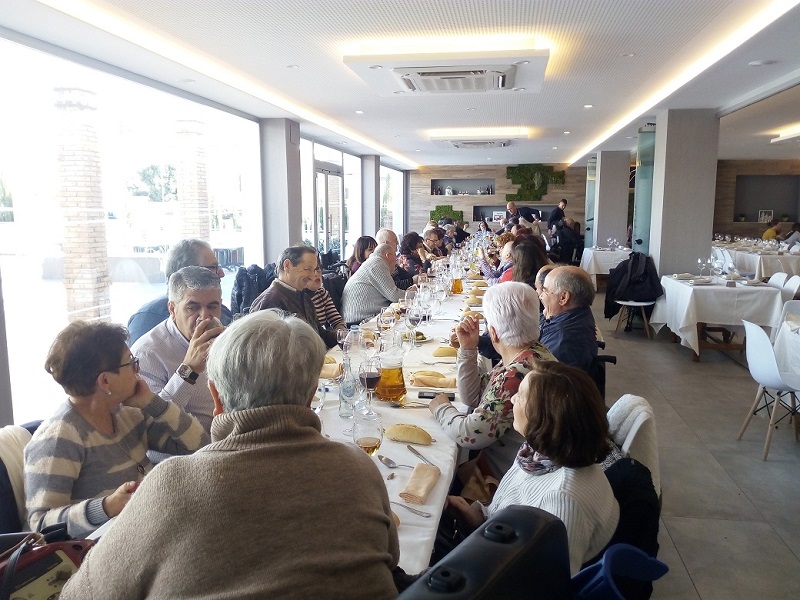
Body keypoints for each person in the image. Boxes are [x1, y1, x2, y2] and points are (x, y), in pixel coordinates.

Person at [59, 311, 400, 599]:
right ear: (311, 394)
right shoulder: (358, 466)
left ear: (215, 398)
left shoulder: (171, 485)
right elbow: (392, 557)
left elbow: (80, 595)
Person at [24, 321, 208, 538]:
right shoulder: (59, 437)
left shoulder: (127, 414)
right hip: (100, 553)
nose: (137, 371)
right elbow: (41, 526)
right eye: (132, 364)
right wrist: (106, 507)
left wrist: (152, 401)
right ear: (105, 381)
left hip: (148, 531)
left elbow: (199, 445)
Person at [447, 361, 619, 575]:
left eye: (520, 396)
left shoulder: (563, 498)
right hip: (495, 548)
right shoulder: (537, 456)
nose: (512, 399)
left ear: (544, 418)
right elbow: (505, 514)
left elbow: (549, 584)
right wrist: (476, 516)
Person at [429, 282, 557, 481]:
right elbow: (474, 397)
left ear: (494, 332)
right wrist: (468, 349)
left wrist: (441, 407)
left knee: (439, 475)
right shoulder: (531, 352)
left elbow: (469, 435)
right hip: (516, 464)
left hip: (510, 475)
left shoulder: (516, 374)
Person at [131, 266, 224, 443]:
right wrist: (188, 371)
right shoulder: (148, 353)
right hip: (182, 459)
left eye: (213, 306)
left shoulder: (226, 339)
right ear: (172, 309)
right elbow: (152, 425)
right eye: (192, 307)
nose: (204, 317)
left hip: (230, 445)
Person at [127, 239, 233, 345]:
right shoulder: (146, 321)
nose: (222, 273)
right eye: (213, 268)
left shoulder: (222, 313)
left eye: (212, 307)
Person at [249, 245, 337, 348]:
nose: (313, 276)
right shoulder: (270, 302)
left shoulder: (303, 296)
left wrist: (345, 336)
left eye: (314, 270)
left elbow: (319, 335)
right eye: (307, 269)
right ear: (287, 266)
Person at [538, 266, 598, 373]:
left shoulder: (564, 341)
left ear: (563, 298)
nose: (541, 296)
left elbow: (538, 374)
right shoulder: (579, 313)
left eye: (545, 291)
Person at [341, 243, 411, 325]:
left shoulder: (374, 262)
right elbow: (394, 296)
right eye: (395, 260)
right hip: (359, 320)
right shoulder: (377, 263)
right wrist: (413, 294)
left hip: (363, 315)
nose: (395, 264)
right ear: (388, 255)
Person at [308, 259, 346, 334]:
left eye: (318, 268)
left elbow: (337, 321)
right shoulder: (298, 297)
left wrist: (340, 334)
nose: (316, 274)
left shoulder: (321, 293)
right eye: (311, 270)